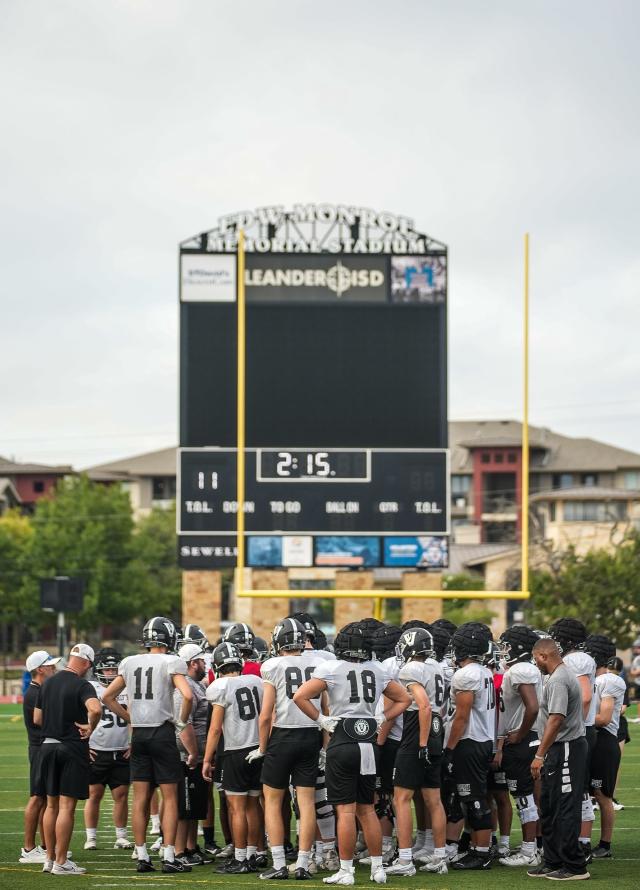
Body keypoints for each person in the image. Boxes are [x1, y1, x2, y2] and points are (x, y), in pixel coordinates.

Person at [293, 622, 411, 886]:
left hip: (343, 740)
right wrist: (382, 716)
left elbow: (300, 696)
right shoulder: (377, 670)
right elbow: (405, 699)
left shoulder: (331, 668)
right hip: (368, 743)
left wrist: (321, 719)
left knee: (345, 811)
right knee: (367, 809)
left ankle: (346, 871)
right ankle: (378, 868)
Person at [102, 616, 193, 874]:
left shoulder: (130, 662)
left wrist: (130, 717)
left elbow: (108, 696)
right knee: (170, 797)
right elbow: (186, 694)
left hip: (139, 735)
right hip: (162, 733)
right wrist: (181, 722)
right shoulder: (171, 661)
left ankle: (142, 855)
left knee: (140, 798)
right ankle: (168, 856)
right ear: (169, 638)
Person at [255, 618, 326, 880]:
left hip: (283, 736)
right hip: (311, 735)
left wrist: (263, 747)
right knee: (306, 803)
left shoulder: (272, 665)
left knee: (273, 802)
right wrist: (325, 747)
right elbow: (326, 710)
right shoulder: (319, 663)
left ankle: (279, 865)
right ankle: (304, 864)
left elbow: (265, 715)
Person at [34, 643, 102, 875]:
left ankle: (49, 858)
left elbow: (37, 718)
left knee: (50, 805)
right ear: (85, 662)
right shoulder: (82, 684)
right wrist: (89, 728)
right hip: (71, 747)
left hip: (47, 747)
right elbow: (95, 709)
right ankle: (61, 861)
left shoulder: (48, 682)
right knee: (66, 807)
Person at [387, 627, 448, 876]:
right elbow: (437, 708)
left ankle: (404, 861)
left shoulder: (410, 669)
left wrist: (421, 743)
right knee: (433, 800)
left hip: (418, 733)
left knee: (400, 799)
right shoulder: (436, 666)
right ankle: (440, 857)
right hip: (436, 730)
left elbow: (422, 705)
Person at [529, 636, 589, 881]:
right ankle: (553, 860)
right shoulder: (554, 677)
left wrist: (539, 754)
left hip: (566, 747)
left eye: (536, 659)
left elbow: (556, 718)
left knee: (565, 806)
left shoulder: (559, 679)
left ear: (544, 656)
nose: (536, 664)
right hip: (557, 749)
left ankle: (575, 866)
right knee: (550, 805)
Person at [203, 641, 264, 874]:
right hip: (258, 749)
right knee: (253, 805)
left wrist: (207, 759)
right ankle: (254, 853)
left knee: (237, 808)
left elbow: (215, 729)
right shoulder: (257, 681)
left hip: (236, 751)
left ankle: (240, 859)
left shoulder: (219, 686)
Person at [443, 622, 496, 871]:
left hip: (471, 741)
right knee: (473, 797)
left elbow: (461, 717)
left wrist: (449, 749)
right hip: (482, 739)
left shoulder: (466, 675)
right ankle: (477, 848)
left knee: (473, 798)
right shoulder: (483, 671)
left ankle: (482, 852)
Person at [549, 618, 597, 862]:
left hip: (577, 732)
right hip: (582, 730)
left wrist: (572, 724)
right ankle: (581, 843)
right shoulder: (581, 658)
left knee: (572, 792)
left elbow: (585, 696)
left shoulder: (575, 659)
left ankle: (579, 845)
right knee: (577, 790)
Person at [495, 625, 542, 868]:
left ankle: (529, 851)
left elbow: (532, 706)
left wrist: (519, 734)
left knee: (524, 797)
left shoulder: (522, 669)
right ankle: (533, 847)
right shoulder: (524, 668)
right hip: (529, 739)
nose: (503, 651)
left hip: (524, 741)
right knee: (528, 797)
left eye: (506, 646)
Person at [84, 648, 133, 851]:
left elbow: (134, 717)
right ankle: (91, 837)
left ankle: (121, 836)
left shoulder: (127, 687)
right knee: (94, 794)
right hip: (97, 749)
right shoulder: (89, 688)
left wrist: (133, 742)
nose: (111, 673)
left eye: (114, 669)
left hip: (122, 749)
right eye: (108, 669)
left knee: (121, 795)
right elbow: (78, 718)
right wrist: (83, 745)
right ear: (98, 670)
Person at [586, 634, 626, 859]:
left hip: (603, 740)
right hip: (591, 739)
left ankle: (605, 844)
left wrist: (577, 720)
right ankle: (582, 841)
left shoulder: (609, 680)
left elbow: (605, 717)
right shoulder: (592, 679)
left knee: (602, 795)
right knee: (586, 794)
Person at [19, 650, 60, 865]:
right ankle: (28, 848)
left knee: (45, 797)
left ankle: (46, 847)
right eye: (51, 666)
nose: (54, 669)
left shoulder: (39, 690)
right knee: (37, 797)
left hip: (42, 748)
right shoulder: (35, 693)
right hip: (39, 749)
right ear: (40, 669)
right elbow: (42, 721)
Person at [173, 642, 210, 865]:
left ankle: (190, 846)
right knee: (183, 806)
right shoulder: (183, 688)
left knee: (193, 806)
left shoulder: (195, 685)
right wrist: (194, 753)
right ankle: (179, 851)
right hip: (185, 756)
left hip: (194, 755)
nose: (205, 664)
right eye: (202, 661)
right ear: (192, 663)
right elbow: (183, 724)